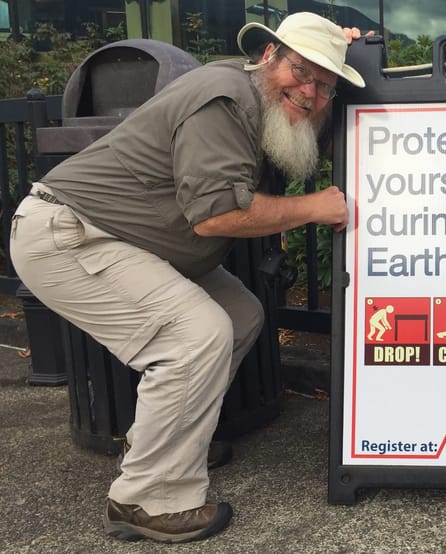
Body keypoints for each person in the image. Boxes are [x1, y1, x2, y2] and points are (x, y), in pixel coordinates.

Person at [10, 12, 368, 543]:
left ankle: (164, 448)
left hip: (127, 239)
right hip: (70, 233)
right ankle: (147, 499)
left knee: (239, 315)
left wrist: (348, 49)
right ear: (269, 55)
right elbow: (217, 215)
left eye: (324, 83)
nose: (311, 91)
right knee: (196, 335)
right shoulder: (224, 99)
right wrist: (312, 207)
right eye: (302, 70)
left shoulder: (262, 95)